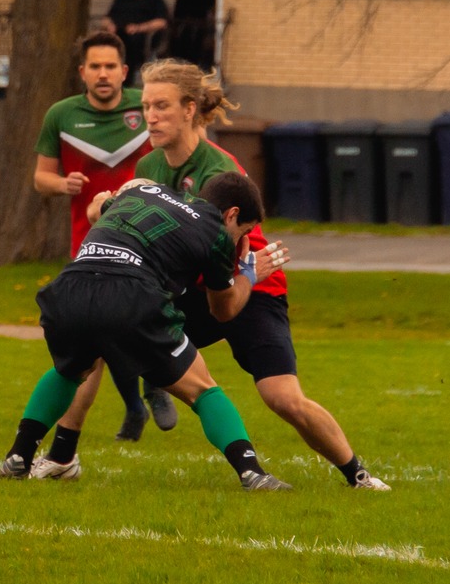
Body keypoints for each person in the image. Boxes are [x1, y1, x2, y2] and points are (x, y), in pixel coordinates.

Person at [128, 59, 388, 491]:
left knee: (283, 399)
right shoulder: (148, 167)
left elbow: (208, 254)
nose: (151, 117)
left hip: (252, 284)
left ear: (190, 109)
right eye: (146, 106)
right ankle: (58, 454)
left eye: (162, 106)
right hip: (200, 284)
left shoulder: (220, 170)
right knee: (110, 326)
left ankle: (357, 474)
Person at [0, 173, 293, 491]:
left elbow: (98, 206)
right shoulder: (216, 233)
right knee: (202, 388)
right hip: (130, 297)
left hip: (70, 289)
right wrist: (249, 274)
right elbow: (224, 310)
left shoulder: (146, 193)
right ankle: (252, 472)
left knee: (71, 368)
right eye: (244, 232)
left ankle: (19, 456)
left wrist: (113, 197)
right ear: (232, 215)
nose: (240, 241)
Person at [31, 30, 173, 440]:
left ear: (124, 71)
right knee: (102, 332)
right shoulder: (61, 115)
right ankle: (135, 406)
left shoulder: (146, 110)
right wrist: (62, 185)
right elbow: (40, 177)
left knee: (148, 313)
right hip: (89, 239)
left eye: (111, 66)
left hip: (149, 236)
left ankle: (156, 386)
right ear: (82, 72)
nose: (103, 73)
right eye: (95, 66)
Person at [103, 0, 170, 71]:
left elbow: (162, 22)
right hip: (117, 32)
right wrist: (109, 25)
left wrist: (139, 28)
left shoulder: (156, 1)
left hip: (139, 36)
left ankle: (127, 77)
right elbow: (107, 18)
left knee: (130, 41)